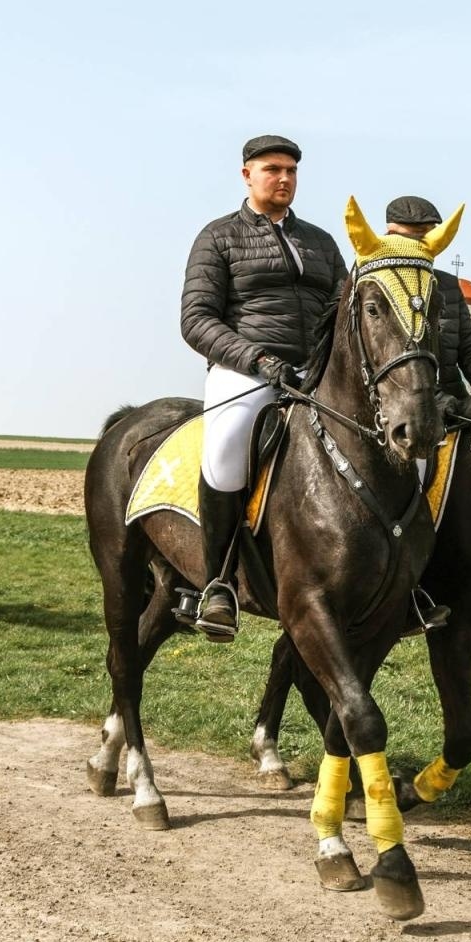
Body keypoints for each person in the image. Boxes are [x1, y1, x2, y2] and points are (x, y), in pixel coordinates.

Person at [179, 134, 348, 640]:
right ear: (247, 175)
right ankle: (218, 585)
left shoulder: (321, 242)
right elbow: (196, 319)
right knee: (227, 444)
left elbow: (344, 311)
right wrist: (257, 359)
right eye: (273, 169)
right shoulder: (218, 237)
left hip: (314, 373)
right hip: (246, 370)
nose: (284, 178)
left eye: (291, 170)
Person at [383, 195, 471, 417]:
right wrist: (435, 398)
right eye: (416, 238)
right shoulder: (379, 286)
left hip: (455, 408)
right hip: (402, 413)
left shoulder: (448, 285)